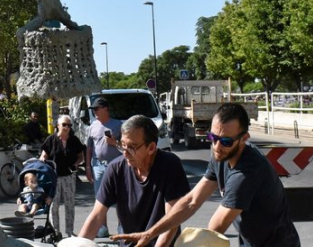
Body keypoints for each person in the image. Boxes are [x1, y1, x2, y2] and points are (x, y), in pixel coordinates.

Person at [112, 103, 300, 247]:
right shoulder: (220, 156)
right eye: (213, 138)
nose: (217, 147)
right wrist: (150, 233)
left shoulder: (246, 172)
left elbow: (215, 228)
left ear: (244, 139)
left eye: (225, 141)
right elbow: (191, 200)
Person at [80, 115, 190, 246]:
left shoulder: (170, 165)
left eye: (132, 147)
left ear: (151, 148)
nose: (125, 153)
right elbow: (96, 216)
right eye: (123, 145)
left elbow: (173, 220)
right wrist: (79, 244)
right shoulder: (115, 169)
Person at [40, 114, 85, 238]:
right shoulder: (51, 139)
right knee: (54, 205)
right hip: (54, 177)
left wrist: (76, 164)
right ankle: (55, 232)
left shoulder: (74, 140)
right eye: (64, 124)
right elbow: (44, 155)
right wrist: (43, 160)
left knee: (69, 204)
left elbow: (81, 156)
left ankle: (69, 232)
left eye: (69, 125)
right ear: (58, 125)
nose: (67, 127)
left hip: (69, 176)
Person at [85, 97, 122, 238]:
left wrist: (114, 142)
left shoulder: (118, 125)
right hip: (98, 166)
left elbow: (125, 146)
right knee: (100, 199)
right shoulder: (92, 126)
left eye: (96, 109)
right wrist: (88, 167)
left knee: (120, 197)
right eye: (93, 109)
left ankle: (121, 227)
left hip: (117, 166)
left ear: (105, 109)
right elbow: (88, 148)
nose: (94, 112)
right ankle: (102, 228)